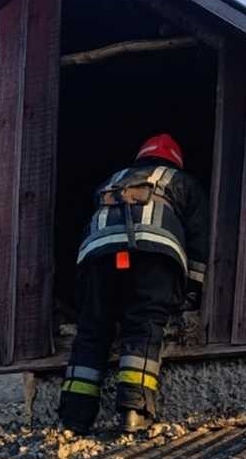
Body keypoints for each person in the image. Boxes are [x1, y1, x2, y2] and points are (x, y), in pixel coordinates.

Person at [59, 133, 209, 434]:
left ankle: (74, 418)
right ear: (175, 160)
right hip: (153, 254)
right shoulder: (183, 181)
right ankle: (133, 411)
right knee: (144, 324)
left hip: (99, 257)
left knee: (92, 329)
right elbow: (198, 240)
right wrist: (193, 289)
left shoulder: (112, 180)